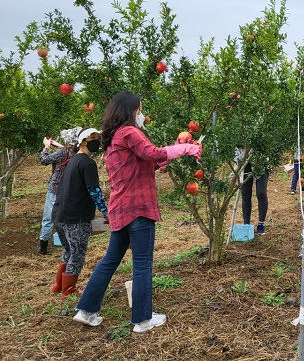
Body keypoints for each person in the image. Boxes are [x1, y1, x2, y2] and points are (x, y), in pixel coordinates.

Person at [73, 91, 202, 333]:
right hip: (139, 207)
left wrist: (175, 148)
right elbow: (153, 153)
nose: (142, 114)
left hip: (121, 208)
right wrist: (184, 150)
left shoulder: (113, 139)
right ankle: (142, 320)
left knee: (110, 260)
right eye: (140, 109)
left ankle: (87, 310)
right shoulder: (130, 132)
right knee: (142, 263)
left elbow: (150, 162)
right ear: (131, 111)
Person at [51, 127, 108, 297]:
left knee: (68, 251)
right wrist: (106, 212)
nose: (96, 141)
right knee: (77, 253)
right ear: (83, 141)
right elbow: (94, 190)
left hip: (60, 214)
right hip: (75, 217)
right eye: (93, 137)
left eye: (98, 137)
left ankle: (59, 286)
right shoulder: (87, 163)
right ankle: (69, 290)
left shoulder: (74, 160)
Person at [37, 128, 79, 255]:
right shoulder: (80, 153)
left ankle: (43, 247)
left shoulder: (62, 152)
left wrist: (46, 147)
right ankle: (69, 243)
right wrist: (56, 145)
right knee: (66, 217)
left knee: (49, 217)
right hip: (70, 190)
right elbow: (66, 152)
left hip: (55, 188)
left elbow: (44, 160)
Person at [238, 148, 270, 235]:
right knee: (245, 194)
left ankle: (261, 224)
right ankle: (246, 225)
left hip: (261, 160)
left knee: (261, 193)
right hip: (244, 162)